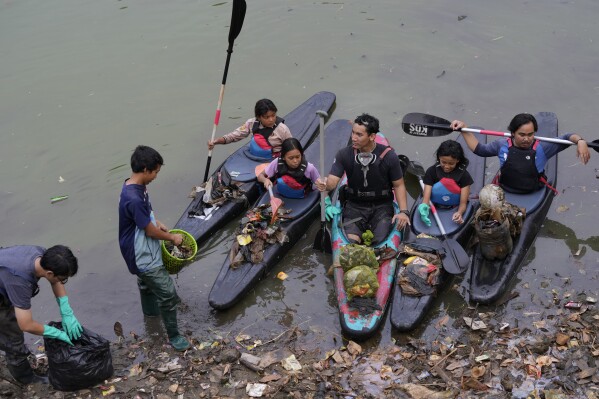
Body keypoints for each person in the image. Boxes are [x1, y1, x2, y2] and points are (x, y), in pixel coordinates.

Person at [118, 145, 190, 352]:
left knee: (146, 285)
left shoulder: (132, 187)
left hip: (135, 246)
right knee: (167, 293)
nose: (156, 176)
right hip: (141, 253)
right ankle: (174, 336)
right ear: (145, 169)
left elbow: (143, 216)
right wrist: (172, 237)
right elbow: (149, 232)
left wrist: (155, 220)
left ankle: (151, 316)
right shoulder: (133, 198)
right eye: (155, 171)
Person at [315, 113, 410, 245]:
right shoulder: (344, 154)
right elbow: (332, 182)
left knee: (378, 241)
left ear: (372, 136)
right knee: (352, 241)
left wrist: (404, 212)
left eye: (359, 135)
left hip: (382, 206)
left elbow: (399, 185)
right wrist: (325, 183)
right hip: (355, 206)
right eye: (353, 133)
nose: (353, 138)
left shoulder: (389, 156)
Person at [0, 245, 81, 384]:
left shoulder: (41, 254)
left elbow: (56, 281)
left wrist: (66, 311)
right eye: (63, 278)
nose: (63, 282)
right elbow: (26, 324)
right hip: (5, 287)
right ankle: (25, 378)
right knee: (13, 337)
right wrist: (55, 332)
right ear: (49, 273)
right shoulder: (20, 281)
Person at [451, 113, 590, 193]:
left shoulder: (543, 147)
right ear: (512, 133)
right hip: (506, 189)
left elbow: (568, 137)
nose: (527, 139)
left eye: (530, 134)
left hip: (532, 190)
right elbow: (479, 150)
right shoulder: (502, 145)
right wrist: (464, 129)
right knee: (484, 197)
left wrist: (580, 141)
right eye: (522, 134)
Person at [207, 98, 292, 158]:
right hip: (253, 157)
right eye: (266, 117)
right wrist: (216, 141)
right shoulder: (251, 123)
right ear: (258, 117)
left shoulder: (282, 129)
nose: (271, 119)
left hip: (273, 159)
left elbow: (291, 148)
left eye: (273, 115)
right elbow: (233, 136)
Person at [418, 140, 474, 226]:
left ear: (457, 160)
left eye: (451, 163)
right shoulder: (431, 172)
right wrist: (424, 207)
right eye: (443, 162)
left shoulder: (464, 176)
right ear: (439, 158)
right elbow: (426, 198)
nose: (447, 166)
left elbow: (463, 203)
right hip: (434, 205)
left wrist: (459, 213)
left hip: (454, 207)